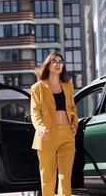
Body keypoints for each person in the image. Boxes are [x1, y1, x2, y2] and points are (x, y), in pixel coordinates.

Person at [30, 51, 78, 196]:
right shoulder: (37, 88)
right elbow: (35, 112)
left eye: (61, 62)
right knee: (48, 178)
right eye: (54, 62)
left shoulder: (68, 85)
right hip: (47, 135)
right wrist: (40, 127)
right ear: (48, 65)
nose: (58, 65)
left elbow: (72, 108)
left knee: (65, 178)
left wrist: (74, 124)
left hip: (67, 135)